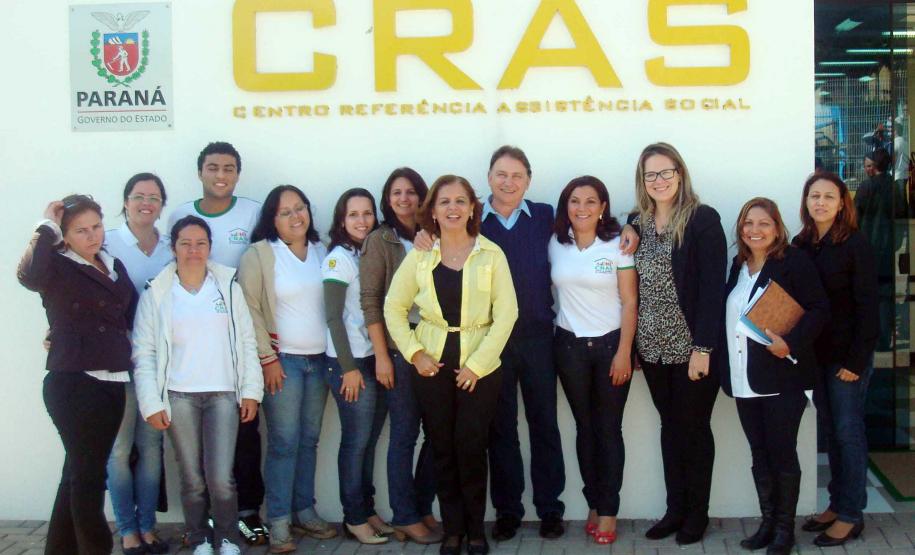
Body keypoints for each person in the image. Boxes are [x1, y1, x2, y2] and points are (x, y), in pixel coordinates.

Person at [385, 175, 519, 555]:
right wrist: (414, 352)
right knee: (442, 448)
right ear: (433, 210)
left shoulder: (491, 254)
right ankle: (453, 530)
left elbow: (507, 314)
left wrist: (477, 365)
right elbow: (393, 308)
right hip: (433, 366)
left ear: (473, 208)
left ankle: (476, 530)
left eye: (461, 201)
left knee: (472, 447)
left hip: (480, 368)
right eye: (444, 202)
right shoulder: (421, 255)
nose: (453, 208)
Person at [132, 216, 264, 555]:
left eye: (200, 243)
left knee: (221, 479)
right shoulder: (158, 292)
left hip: (223, 394)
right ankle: (199, 537)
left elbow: (246, 341)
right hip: (178, 396)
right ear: (173, 247)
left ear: (210, 247)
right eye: (185, 243)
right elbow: (144, 352)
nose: (193, 250)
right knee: (191, 478)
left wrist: (250, 391)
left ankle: (228, 538)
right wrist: (151, 402)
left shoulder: (227, 286)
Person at [18, 195, 138, 555]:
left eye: (96, 227)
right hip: (74, 381)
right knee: (88, 479)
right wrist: (46, 226)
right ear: (65, 236)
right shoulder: (56, 264)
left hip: (113, 381)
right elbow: (28, 275)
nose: (92, 236)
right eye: (80, 231)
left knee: (76, 475)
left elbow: (127, 317)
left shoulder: (112, 263)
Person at [167, 141, 267, 545]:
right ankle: (203, 525)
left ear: (238, 174)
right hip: (194, 346)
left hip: (238, 334)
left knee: (244, 438)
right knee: (194, 458)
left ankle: (245, 515)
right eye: (212, 167)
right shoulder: (180, 215)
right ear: (200, 172)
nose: (220, 174)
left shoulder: (252, 211)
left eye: (228, 167)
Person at [628, 142, 726, 545]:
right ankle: (675, 509)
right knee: (670, 427)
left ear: (680, 174)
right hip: (652, 346)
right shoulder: (636, 222)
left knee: (694, 429)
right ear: (642, 180)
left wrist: (703, 348)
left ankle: (696, 515)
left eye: (666, 172)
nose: (659, 180)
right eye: (651, 174)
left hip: (692, 350)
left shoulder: (702, 219)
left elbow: (711, 290)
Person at [721, 198, 829, 555]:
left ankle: (785, 530)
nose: (755, 230)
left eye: (763, 223)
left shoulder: (793, 262)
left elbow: (819, 309)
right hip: (743, 379)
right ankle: (767, 524)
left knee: (782, 453)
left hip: (783, 378)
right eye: (748, 223)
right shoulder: (738, 266)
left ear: (777, 227)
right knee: (759, 454)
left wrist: (791, 342)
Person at [237, 185, 337, 554]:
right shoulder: (261, 255)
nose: (296, 216)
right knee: (283, 443)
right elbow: (250, 309)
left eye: (300, 208)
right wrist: (268, 359)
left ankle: (304, 510)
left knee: (309, 440)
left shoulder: (322, 251)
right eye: (285, 212)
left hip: (319, 362)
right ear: (271, 219)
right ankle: (277, 520)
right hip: (285, 364)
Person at [480, 146, 567, 540]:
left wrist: (628, 230)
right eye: (501, 174)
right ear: (489, 178)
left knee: (544, 424)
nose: (508, 182)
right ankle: (508, 511)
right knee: (501, 429)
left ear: (528, 180)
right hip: (490, 340)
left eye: (516, 175)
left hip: (536, 338)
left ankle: (550, 508)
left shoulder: (547, 216)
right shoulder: (471, 220)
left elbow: (592, 224)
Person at [548, 176, 637, 545]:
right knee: (585, 430)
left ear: (603, 207)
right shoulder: (556, 243)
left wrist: (623, 352)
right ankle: (594, 503)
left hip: (610, 348)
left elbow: (630, 301)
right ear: (565, 206)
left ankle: (610, 510)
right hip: (568, 348)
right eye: (574, 201)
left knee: (608, 429)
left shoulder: (618, 245)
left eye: (590, 201)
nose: (581, 208)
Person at [794, 172, 879, 547]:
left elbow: (868, 307)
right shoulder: (801, 243)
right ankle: (835, 503)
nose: (821, 203)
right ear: (806, 201)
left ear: (843, 203)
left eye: (830, 196)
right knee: (831, 433)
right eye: (815, 196)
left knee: (848, 434)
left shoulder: (855, 244)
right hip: (817, 357)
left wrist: (858, 361)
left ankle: (850, 514)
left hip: (848, 358)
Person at [359, 168, 441, 544]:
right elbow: (371, 301)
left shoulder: (436, 235)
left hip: (438, 348)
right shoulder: (381, 240)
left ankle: (422, 507)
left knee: (438, 435)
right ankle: (405, 515)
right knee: (404, 435)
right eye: (396, 192)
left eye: (411, 192)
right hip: (400, 350)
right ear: (387, 199)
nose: (404, 199)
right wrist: (382, 356)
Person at [104, 173, 173, 555]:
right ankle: (127, 531)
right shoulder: (108, 242)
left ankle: (148, 528)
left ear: (162, 204)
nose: (146, 202)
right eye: (138, 196)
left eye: (154, 197)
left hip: (159, 365)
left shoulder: (169, 248)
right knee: (118, 450)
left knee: (151, 448)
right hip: (116, 363)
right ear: (126, 201)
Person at [322, 188, 390, 545]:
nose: (362, 220)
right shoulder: (338, 259)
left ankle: (368, 509)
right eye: (353, 214)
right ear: (341, 220)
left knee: (369, 442)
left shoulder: (370, 252)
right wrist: (348, 367)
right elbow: (333, 317)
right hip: (349, 364)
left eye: (367, 213)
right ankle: (354, 518)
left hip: (372, 358)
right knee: (355, 443)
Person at [854, 148, 903, 353]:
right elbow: (902, 216)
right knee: (885, 297)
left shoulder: (866, 187)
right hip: (889, 248)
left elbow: (854, 218)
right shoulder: (895, 188)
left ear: (874, 167)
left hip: (867, 249)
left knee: (866, 296)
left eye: (867, 166)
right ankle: (884, 339)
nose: (866, 169)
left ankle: (870, 338)